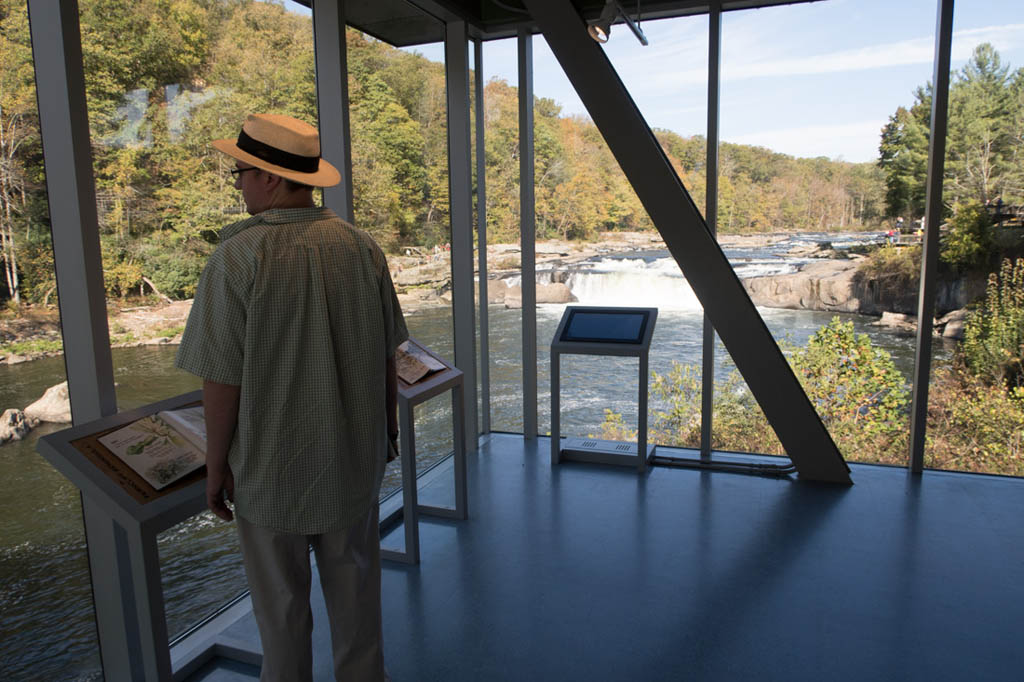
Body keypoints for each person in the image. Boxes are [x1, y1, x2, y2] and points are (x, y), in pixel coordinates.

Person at [175, 113, 407, 681]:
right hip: (351, 463)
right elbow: (385, 357)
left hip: (267, 471)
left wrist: (214, 467)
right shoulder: (362, 248)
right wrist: (387, 434)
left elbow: (221, 379)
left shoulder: (237, 257)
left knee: (280, 618)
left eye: (242, 172)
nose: (238, 183)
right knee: (359, 614)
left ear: (271, 179)